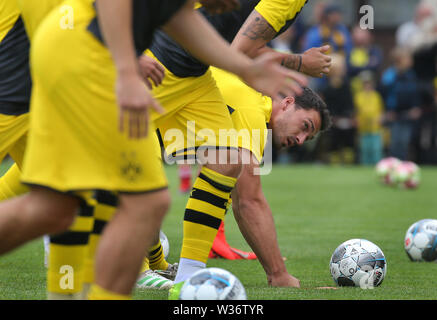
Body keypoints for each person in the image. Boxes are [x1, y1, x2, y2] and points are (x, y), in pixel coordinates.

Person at [0, 0, 308, 301]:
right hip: (82, 52)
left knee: (64, 205)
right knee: (114, 199)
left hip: (83, 49)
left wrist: (244, 67)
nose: (236, 9)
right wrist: (125, 67)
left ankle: (76, 291)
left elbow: (180, 20)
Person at [167, 69, 332, 298]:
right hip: (128, 99)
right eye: (305, 126)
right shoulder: (250, 108)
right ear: (287, 102)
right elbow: (248, 201)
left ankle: (172, 270)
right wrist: (279, 275)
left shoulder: (250, 99)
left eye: (308, 138)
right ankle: (174, 271)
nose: (300, 140)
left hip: (142, 107)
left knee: (219, 173)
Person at [381, 47, 422, 161]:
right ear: (399, 60)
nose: (410, 61)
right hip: (394, 115)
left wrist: (416, 107)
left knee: (404, 143)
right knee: (394, 143)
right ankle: (392, 166)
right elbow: (384, 94)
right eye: (408, 58)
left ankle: (402, 168)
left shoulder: (411, 75)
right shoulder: (389, 76)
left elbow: (414, 93)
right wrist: (387, 111)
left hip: (408, 115)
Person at [353, 71, 385, 165]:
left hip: (375, 129)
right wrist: (356, 120)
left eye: (369, 83)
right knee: (365, 151)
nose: (367, 85)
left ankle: (378, 167)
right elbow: (356, 111)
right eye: (365, 83)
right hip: (363, 129)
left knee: (376, 151)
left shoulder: (376, 96)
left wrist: (380, 118)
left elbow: (381, 110)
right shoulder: (358, 96)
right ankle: (365, 168)